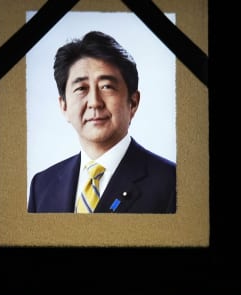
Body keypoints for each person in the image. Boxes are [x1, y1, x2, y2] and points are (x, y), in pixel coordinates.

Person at [27, 30, 176, 214]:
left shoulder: (172, 183)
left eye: (106, 87)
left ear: (133, 102)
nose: (95, 102)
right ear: (63, 106)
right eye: (81, 88)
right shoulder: (42, 186)